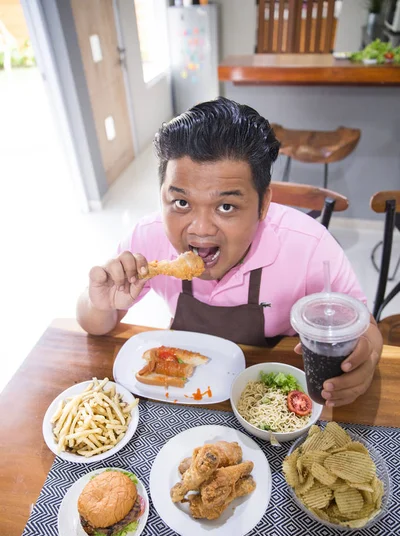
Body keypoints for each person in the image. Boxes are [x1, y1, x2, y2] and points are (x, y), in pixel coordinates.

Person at [77, 97, 382, 408]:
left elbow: (365, 327)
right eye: (181, 202)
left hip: (270, 398)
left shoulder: (309, 246)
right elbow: (94, 323)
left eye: (226, 206)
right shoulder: (148, 237)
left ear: (264, 204)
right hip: (183, 391)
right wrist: (100, 304)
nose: (201, 229)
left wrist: (366, 358)